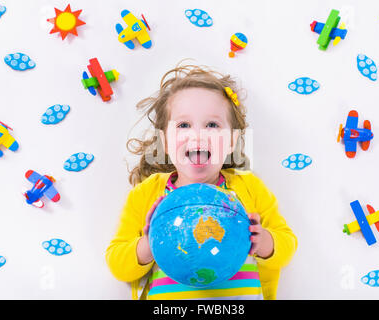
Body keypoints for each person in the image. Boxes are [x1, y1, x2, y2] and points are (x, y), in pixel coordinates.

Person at [106, 63, 297, 299]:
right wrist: (149, 244)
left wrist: (266, 242)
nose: (198, 134)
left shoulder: (249, 187)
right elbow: (117, 263)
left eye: (212, 125)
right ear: (165, 141)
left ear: (231, 141)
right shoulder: (146, 193)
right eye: (184, 125)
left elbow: (287, 244)